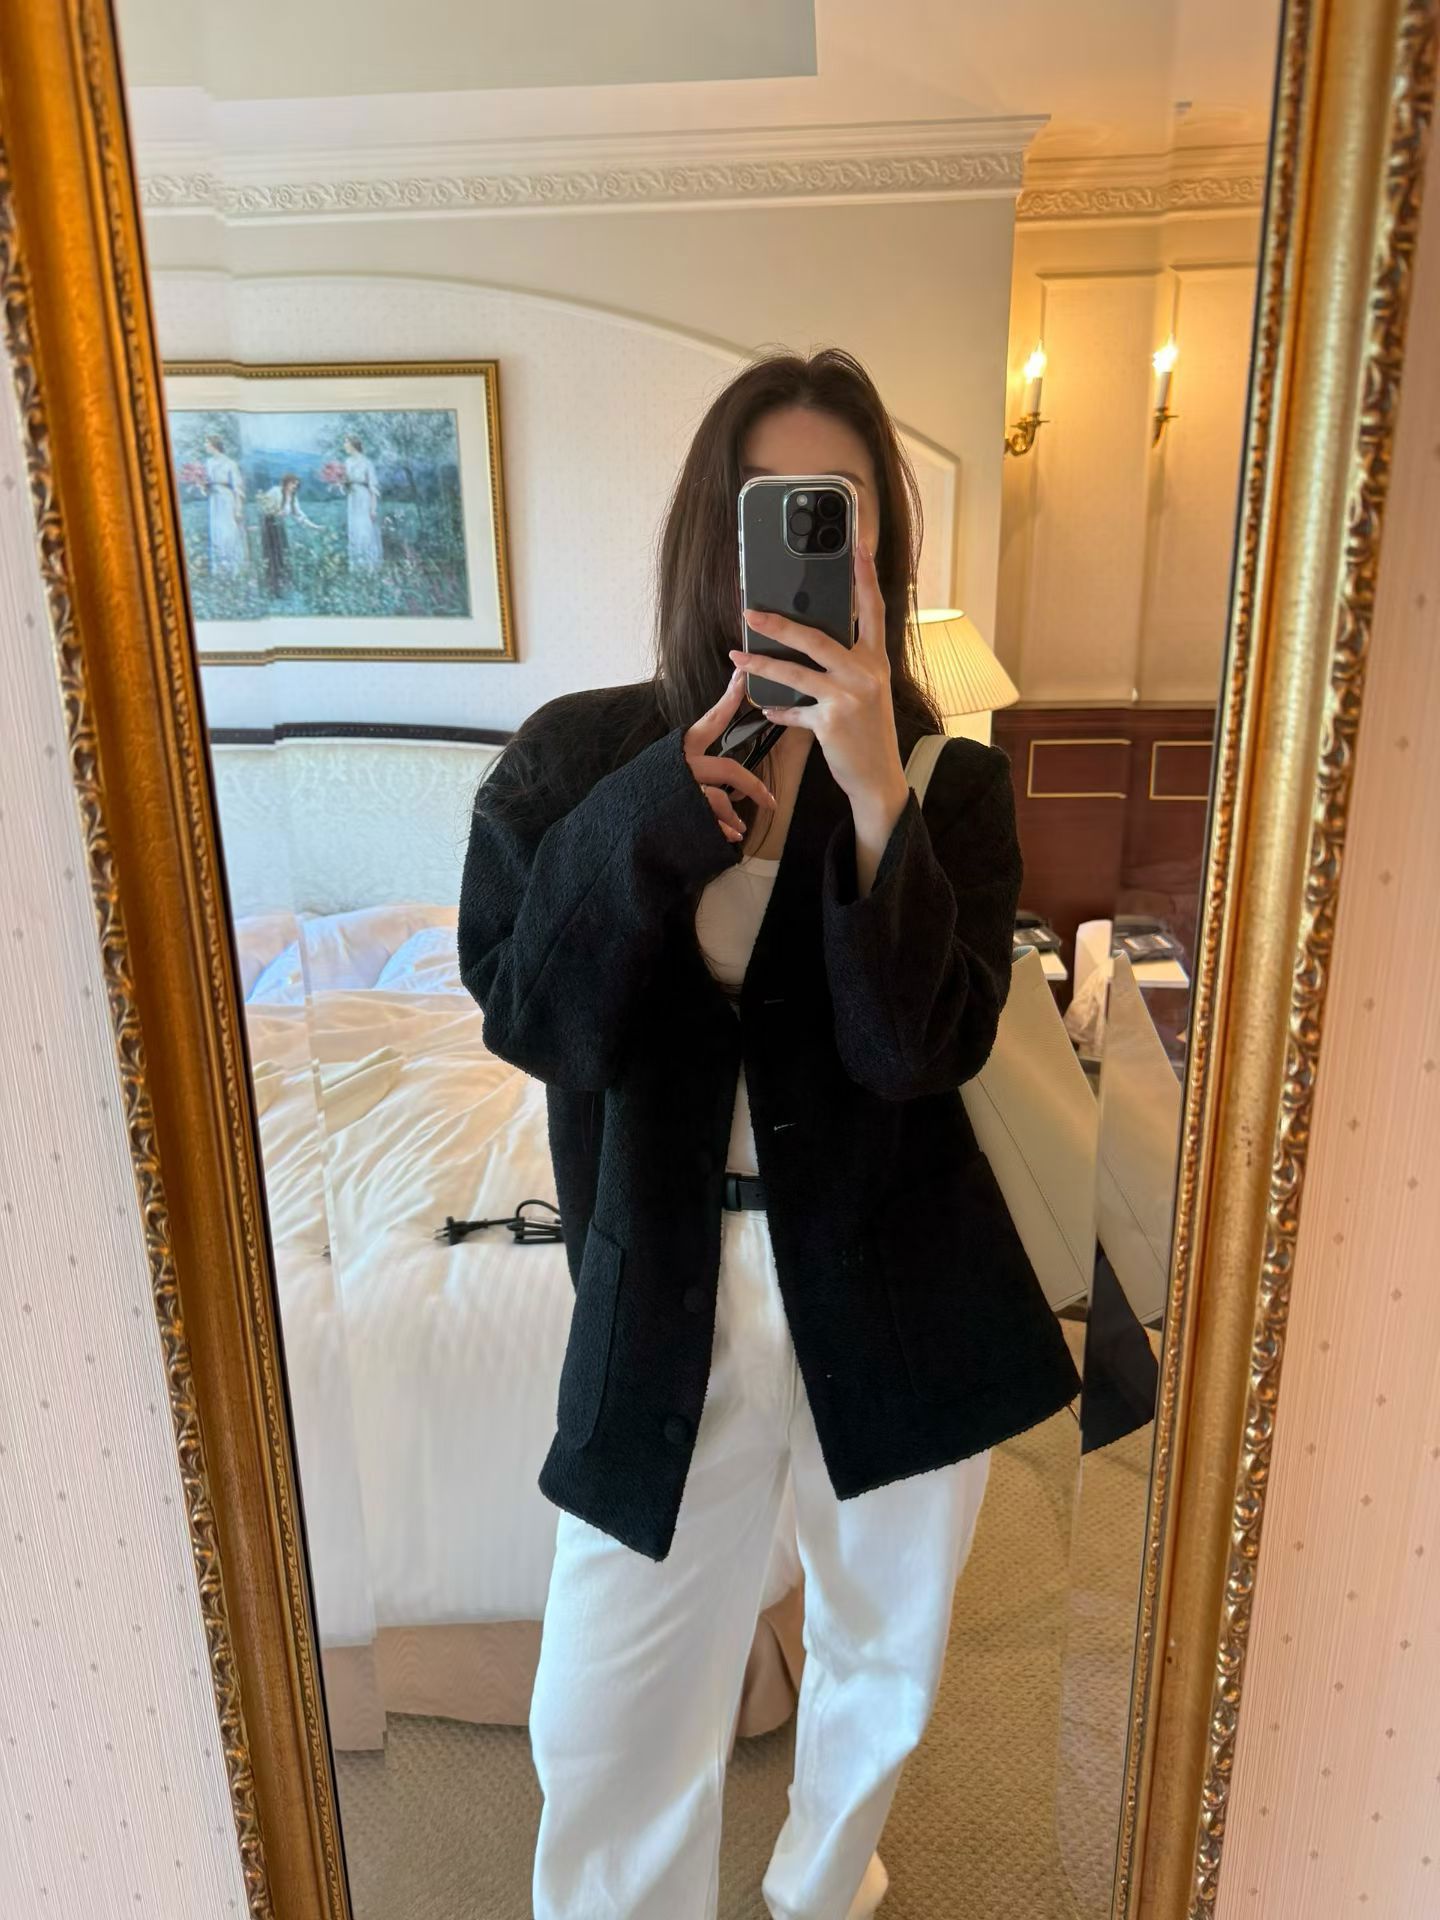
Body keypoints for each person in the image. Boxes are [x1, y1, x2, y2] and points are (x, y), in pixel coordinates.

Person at [457, 348, 1082, 1920]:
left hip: (901, 1281)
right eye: (770, 508)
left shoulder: (949, 784)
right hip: (667, 1288)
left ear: (880, 553)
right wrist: (659, 814)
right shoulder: (578, 757)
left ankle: (821, 1892)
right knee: (600, 1713)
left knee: (882, 1660)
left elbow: (915, 1053)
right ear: (710, 534)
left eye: (838, 515)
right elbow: (533, 1014)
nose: (807, 547)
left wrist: (875, 799)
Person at [253, 473, 319, 598]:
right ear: (286, 483)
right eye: (293, 484)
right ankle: (271, 587)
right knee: (271, 557)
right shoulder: (275, 491)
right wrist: (273, 512)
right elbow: (264, 506)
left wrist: (314, 526)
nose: (294, 487)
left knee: (282, 556)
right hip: (269, 527)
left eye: (296, 485)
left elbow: (299, 515)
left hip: (279, 527)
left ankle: (283, 585)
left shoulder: (292, 497)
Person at [202, 433, 247, 576]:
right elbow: (207, 487)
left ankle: (234, 569)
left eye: (207, 443)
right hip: (214, 501)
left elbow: (238, 488)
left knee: (229, 531)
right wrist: (202, 485)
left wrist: (238, 509)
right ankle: (220, 570)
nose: (205, 446)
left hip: (227, 500)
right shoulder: (208, 463)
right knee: (216, 531)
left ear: (214, 445)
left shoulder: (230, 463)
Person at [341, 433, 383, 571]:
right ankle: (357, 566)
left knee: (365, 530)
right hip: (352, 499)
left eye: (346, 442)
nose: (344, 445)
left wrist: (373, 508)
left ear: (353, 444)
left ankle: (370, 566)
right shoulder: (347, 462)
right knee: (354, 530)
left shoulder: (366, 462)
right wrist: (343, 483)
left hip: (364, 498)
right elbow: (346, 486)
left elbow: (373, 487)